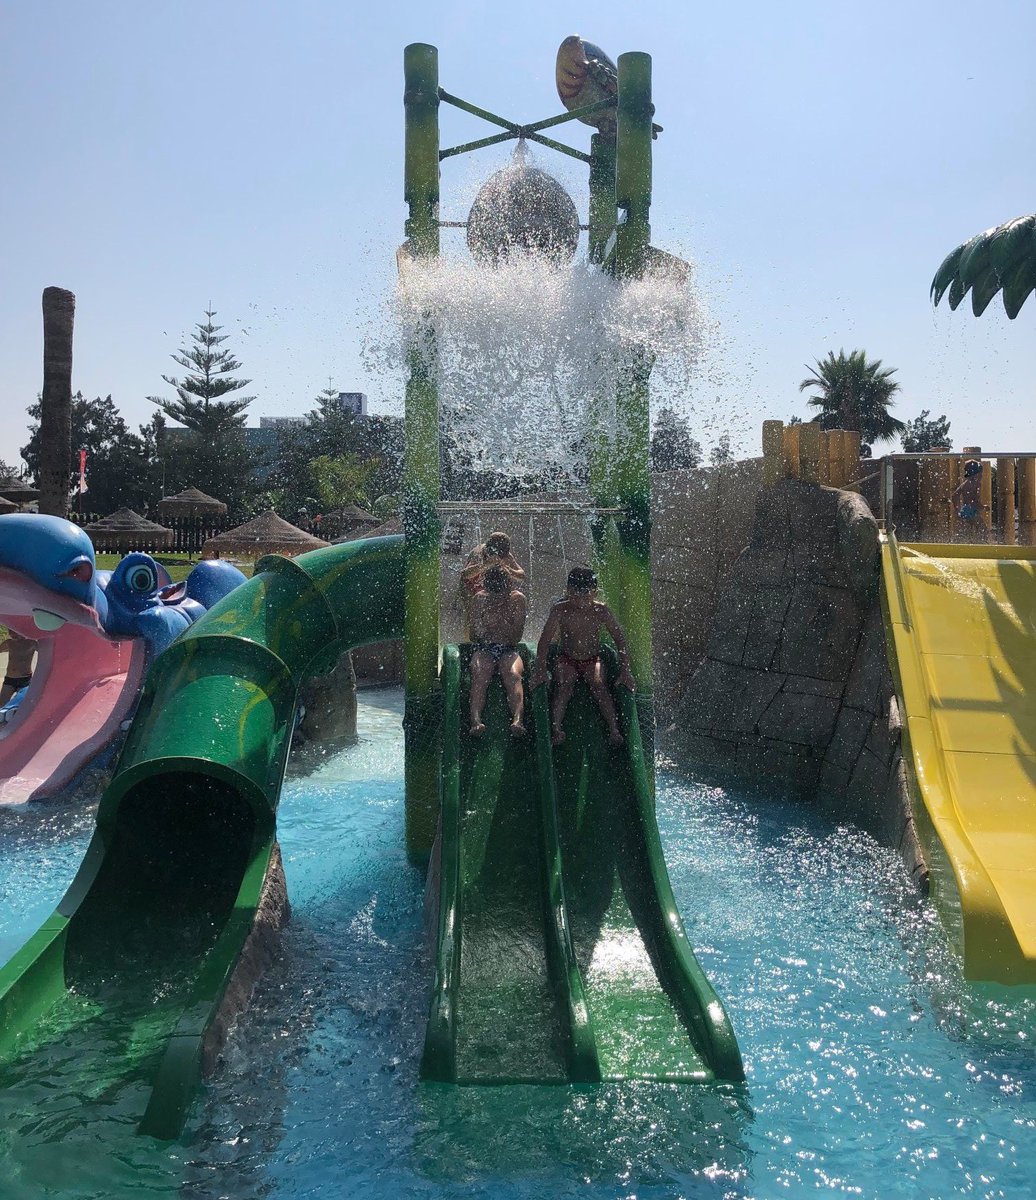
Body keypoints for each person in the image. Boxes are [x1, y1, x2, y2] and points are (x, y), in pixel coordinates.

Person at [531, 566, 635, 747]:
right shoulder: (560, 610)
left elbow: (620, 640)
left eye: (585, 593)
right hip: (567, 658)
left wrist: (625, 671)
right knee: (564, 686)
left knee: (599, 685)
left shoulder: (601, 611)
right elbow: (545, 641)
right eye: (575, 593)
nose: (580, 599)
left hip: (592, 659)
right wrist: (540, 669)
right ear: (568, 591)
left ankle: (614, 730)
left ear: (594, 592)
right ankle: (556, 729)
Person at [469, 565, 528, 738]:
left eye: (500, 592)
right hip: (485, 648)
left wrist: (501, 620)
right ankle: (476, 721)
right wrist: (486, 629)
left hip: (509, 648)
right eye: (492, 592)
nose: (497, 597)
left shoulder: (518, 600)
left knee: (513, 674)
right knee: (480, 674)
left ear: (509, 586)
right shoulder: (479, 599)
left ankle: (518, 720)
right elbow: (474, 635)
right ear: (486, 588)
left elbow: (516, 637)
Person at [459, 530, 526, 634]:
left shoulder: (506, 555)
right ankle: (470, 640)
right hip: (469, 586)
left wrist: (508, 568)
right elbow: (465, 574)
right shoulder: (479, 553)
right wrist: (486, 564)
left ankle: (495, 637)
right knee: (472, 615)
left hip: (489, 586)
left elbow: (522, 575)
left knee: (494, 612)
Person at [0, 630, 37, 706]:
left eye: (13, 631)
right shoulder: (9, 643)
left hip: (25, 679)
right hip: (10, 679)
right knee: (2, 703)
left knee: (24, 704)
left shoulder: (31, 643)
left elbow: (46, 651)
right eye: (10, 631)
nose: (11, 634)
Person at [952, 459, 985, 541]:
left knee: (968, 531)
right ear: (975, 474)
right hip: (971, 510)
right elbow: (974, 499)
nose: (982, 476)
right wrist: (983, 507)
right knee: (982, 529)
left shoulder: (965, 483)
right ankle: (982, 546)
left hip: (965, 509)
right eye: (981, 474)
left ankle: (965, 545)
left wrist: (957, 509)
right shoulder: (975, 484)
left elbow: (954, 495)